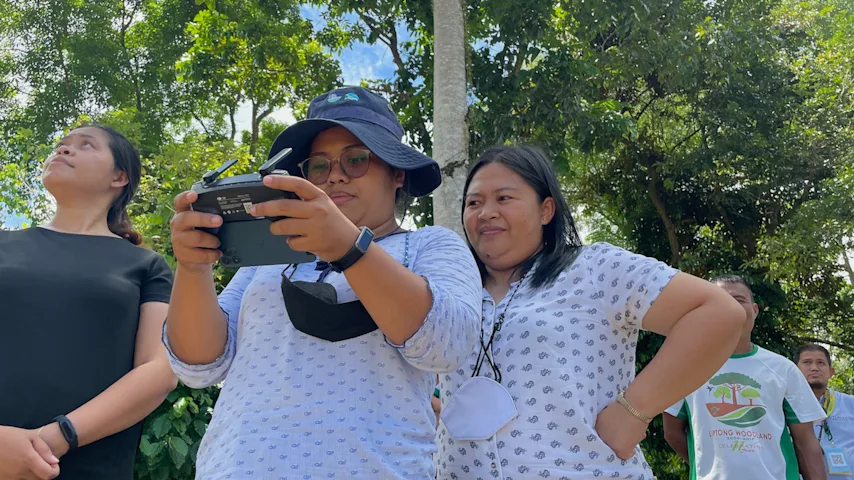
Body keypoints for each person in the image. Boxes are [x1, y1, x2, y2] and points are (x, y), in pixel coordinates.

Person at [164, 86, 481, 478]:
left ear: (397, 172)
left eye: (356, 159)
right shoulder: (264, 261)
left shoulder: (430, 245)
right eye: (318, 165)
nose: (334, 176)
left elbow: (448, 345)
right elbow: (200, 367)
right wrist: (193, 268)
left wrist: (349, 248)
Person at [435, 144, 746, 479]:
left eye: (504, 198)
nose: (486, 213)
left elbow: (718, 312)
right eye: (474, 203)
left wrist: (634, 410)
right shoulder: (448, 290)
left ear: (546, 210)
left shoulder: (594, 268)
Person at [0, 124, 177, 480]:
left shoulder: (147, 265)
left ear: (119, 177)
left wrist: (57, 437)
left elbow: (159, 370)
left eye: (85, 144)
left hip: (92, 468)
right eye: (61, 145)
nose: (64, 150)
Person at [663, 275, 828, 480]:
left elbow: (806, 443)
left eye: (739, 300)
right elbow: (672, 433)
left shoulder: (783, 369)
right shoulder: (686, 368)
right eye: (721, 300)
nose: (731, 307)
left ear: (755, 310)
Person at [796, 344, 854, 478]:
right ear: (795, 370)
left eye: (821, 363)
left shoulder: (850, 404)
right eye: (807, 362)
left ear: (831, 372)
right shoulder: (783, 406)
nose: (814, 368)